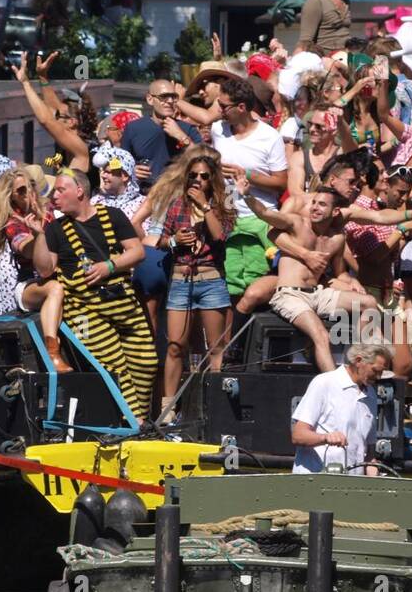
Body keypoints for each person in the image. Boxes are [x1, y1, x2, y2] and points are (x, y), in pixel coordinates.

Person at [29, 170, 156, 421]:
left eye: (60, 189)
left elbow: (137, 252)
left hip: (122, 301)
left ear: (80, 191)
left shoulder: (113, 215)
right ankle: (135, 422)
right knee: (114, 366)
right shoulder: (55, 229)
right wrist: (39, 234)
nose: (55, 195)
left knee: (147, 362)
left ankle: (135, 419)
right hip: (87, 310)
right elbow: (45, 269)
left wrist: (109, 266)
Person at [245, 183, 379, 373]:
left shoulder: (337, 238)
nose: (314, 207)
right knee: (322, 336)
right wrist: (247, 195)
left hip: (318, 294)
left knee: (369, 303)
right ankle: (335, 385)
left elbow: (340, 273)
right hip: (290, 295)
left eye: (322, 204)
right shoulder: (297, 223)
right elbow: (266, 213)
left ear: (335, 211)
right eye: (314, 203)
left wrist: (352, 281)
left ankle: (358, 361)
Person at [147, 150, 234, 414]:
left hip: (211, 280)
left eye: (204, 177)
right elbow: (160, 240)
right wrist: (175, 241)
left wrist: (205, 206)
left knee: (216, 348)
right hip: (181, 279)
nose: (197, 180)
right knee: (175, 346)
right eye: (193, 175)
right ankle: (167, 408)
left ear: (212, 180)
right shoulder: (177, 205)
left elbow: (219, 235)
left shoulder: (222, 205)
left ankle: (216, 409)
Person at [0, 168, 70, 372]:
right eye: (21, 190)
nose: (27, 192)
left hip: (59, 274)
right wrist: (38, 234)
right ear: (10, 196)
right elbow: (30, 253)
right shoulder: (12, 222)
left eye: (30, 186)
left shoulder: (49, 211)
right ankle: (52, 352)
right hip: (29, 284)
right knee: (54, 288)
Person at [211, 77, 288, 304]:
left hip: (259, 218)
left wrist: (248, 175)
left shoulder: (269, 137)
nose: (220, 110)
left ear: (242, 107)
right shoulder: (218, 130)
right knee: (231, 282)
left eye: (224, 106)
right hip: (228, 217)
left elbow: (281, 182)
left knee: (256, 279)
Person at [290, 343, 393, 474]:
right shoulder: (324, 383)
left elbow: (369, 455)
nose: (378, 377)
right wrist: (325, 438)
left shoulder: (371, 394)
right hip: (315, 482)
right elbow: (298, 435)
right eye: (375, 370)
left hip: (351, 488)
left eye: (381, 372)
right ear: (358, 361)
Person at [121, 80, 201, 190]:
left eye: (173, 97)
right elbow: (122, 163)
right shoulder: (133, 128)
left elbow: (203, 160)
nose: (170, 101)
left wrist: (182, 137)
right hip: (144, 193)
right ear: (150, 99)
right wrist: (132, 171)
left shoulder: (187, 129)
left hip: (178, 193)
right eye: (164, 97)